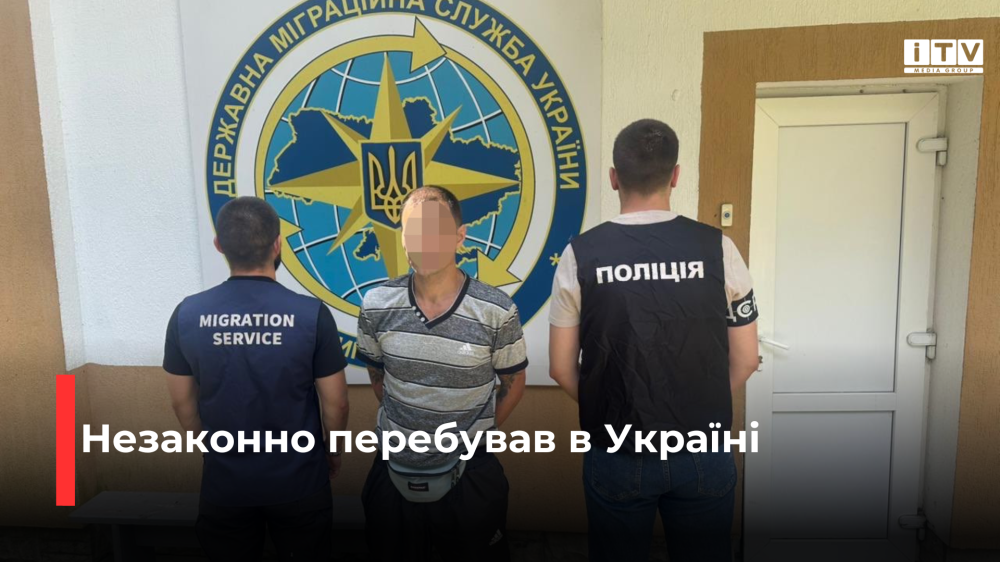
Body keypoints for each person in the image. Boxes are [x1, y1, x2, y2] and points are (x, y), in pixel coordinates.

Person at [548, 119, 760, 562]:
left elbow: (561, 369)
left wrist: (610, 410)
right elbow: (746, 359)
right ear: (676, 175)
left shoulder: (580, 254)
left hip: (617, 447)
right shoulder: (719, 248)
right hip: (702, 447)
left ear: (613, 177)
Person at [162, 196, 349, 561]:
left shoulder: (186, 314)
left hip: (225, 484)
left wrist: (211, 447)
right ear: (278, 244)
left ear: (219, 245)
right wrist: (333, 451)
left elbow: (181, 402)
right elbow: (337, 403)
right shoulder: (311, 314)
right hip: (300, 482)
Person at [355, 186, 528, 561]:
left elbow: (513, 384)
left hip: (471, 477)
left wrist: (473, 435)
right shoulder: (376, 305)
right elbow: (378, 378)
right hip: (392, 472)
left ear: (459, 236)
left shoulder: (496, 310)